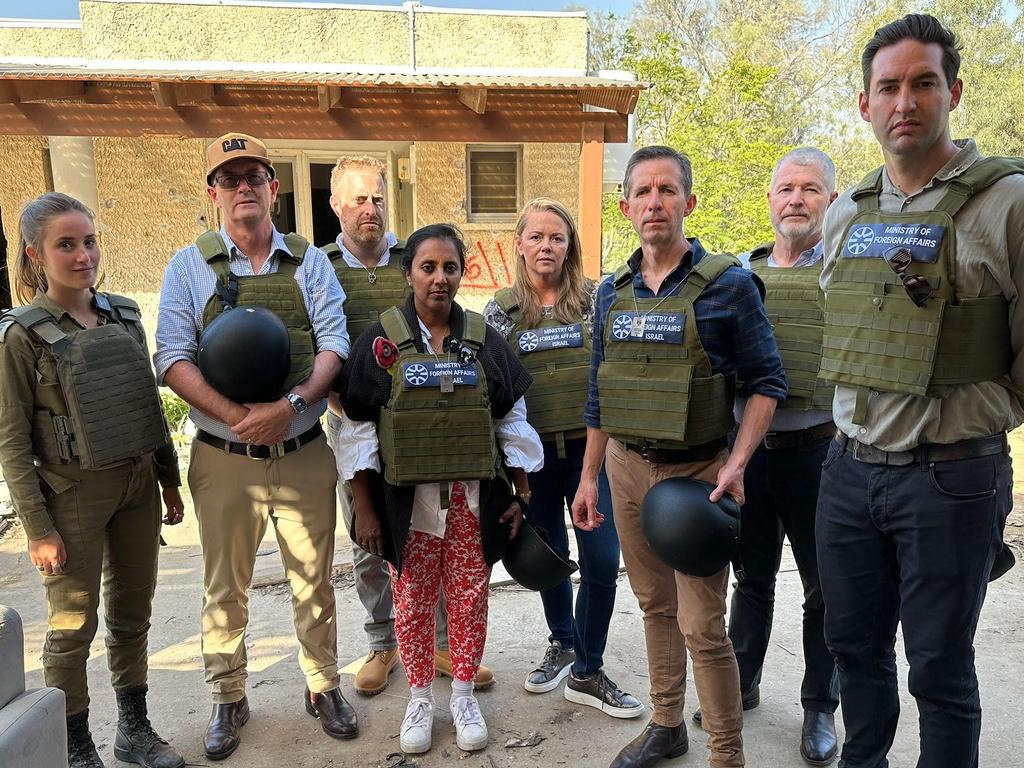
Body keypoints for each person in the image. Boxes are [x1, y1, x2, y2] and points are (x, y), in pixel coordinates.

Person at [817, 14, 1023, 768]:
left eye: (922, 83)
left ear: (954, 92)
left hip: (950, 476)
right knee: (853, 653)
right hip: (847, 473)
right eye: (888, 86)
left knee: (938, 667)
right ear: (865, 104)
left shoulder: (1007, 204)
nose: (904, 101)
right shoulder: (847, 213)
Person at [572, 145, 787, 768]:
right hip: (627, 470)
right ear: (626, 207)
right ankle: (666, 726)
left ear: (688, 203)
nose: (655, 202)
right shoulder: (610, 294)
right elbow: (597, 392)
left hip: (698, 479)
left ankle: (726, 753)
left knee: (701, 625)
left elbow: (767, 383)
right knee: (653, 606)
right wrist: (589, 478)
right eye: (643, 191)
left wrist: (737, 462)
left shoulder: (730, 287)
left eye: (668, 190)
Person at [154, 132, 355, 760]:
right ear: (214, 192)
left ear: (273, 187)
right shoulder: (189, 266)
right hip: (225, 455)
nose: (244, 187)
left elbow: (334, 346)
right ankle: (228, 696)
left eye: (255, 177)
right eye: (230, 178)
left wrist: (289, 408)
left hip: (301, 448)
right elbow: (172, 358)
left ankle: (322, 687)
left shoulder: (311, 263)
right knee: (224, 587)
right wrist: (242, 417)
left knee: (315, 580)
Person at [336, 223, 543, 755]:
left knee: (471, 596)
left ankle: (465, 694)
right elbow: (357, 428)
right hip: (409, 506)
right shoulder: (380, 341)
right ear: (408, 273)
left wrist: (520, 493)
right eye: (428, 267)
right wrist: (365, 509)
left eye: (450, 267)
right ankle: (421, 697)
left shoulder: (481, 339)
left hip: (474, 501)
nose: (440, 278)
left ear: (461, 272)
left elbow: (510, 415)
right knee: (411, 599)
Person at [0, 193, 185, 768]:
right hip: (71, 496)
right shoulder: (21, 336)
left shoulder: (124, 315)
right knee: (72, 625)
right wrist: (37, 528)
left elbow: (145, 408)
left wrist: (168, 480)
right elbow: (11, 441)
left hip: (136, 489)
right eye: (65, 244)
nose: (83, 255)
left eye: (89, 241)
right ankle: (75, 744)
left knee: (133, 614)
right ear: (36, 254)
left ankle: (133, 728)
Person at [322, 156, 492, 695]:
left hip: (426, 419)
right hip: (355, 420)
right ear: (335, 206)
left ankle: (442, 643)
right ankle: (382, 642)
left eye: (376, 198)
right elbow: (310, 335)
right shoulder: (318, 266)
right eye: (357, 199)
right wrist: (331, 395)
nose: (369, 209)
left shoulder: (416, 254)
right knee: (372, 534)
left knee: (435, 533)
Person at [693, 148, 841, 765]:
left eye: (810, 189)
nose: (797, 199)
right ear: (771, 199)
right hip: (748, 456)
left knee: (823, 589)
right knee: (751, 581)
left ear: (831, 201)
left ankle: (818, 709)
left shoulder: (845, 272)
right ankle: (744, 683)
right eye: (786, 188)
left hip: (821, 452)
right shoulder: (737, 276)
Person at [483, 198, 640, 717]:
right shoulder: (500, 312)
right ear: (520, 244)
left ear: (569, 245)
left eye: (557, 237)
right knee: (546, 555)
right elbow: (496, 391)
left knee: (599, 560)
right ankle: (563, 641)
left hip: (590, 455)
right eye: (536, 237)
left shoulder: (599, 300)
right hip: (533, 462)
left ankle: (588, 668)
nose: (546, 246)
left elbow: (616, 375)